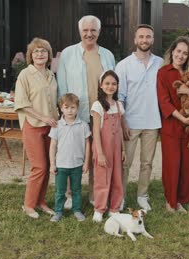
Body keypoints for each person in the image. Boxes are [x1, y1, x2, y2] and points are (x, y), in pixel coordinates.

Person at [57, 15, 116, 207]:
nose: (89, 34)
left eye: (93, 30)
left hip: (100, 114)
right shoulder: (67, 54)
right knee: (72, 154)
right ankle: (68, 195)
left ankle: (94, 194)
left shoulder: (107, 55)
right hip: (76, 115)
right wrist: (65, 113)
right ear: (79, 31)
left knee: (98, 155)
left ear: (99, 32)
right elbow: (62, 87)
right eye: (86, 30)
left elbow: (113, 86)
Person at [156, 36, 189, 213]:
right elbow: (164, 102)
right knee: (172, 165)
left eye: (185, 53)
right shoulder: (163, 73)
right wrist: (182, 118)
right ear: (172, 52)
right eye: (178, 51)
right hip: (172, 126)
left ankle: (182, 199)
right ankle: (171, 201)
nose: (181, 56)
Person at [115, 24, 163, 211]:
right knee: (125, 163)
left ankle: (143, 195)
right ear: (135, 40)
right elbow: (119, 97)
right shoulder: (124, 65)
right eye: (141, 37)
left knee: (147, 163)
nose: (144, 40)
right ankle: (121, 196)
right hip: (131, 122)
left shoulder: (160, 63)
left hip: (153, 122)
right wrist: (123, 120)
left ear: (152, 40)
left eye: (148, 37)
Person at [14, 38, 58, 219]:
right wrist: (43, 118)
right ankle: (29, 204)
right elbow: (22, 104)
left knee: (47, 165)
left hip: (51, 126)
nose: (40, 54)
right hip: (33, 125)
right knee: (39, 166)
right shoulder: (25, 75)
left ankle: (41, 201)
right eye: (36, 51)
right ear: (31, 56)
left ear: (49, 55)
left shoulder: (51, 74)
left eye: (43, 51)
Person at [49, 93, 91, 222]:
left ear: (77, 108)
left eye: (73, 107)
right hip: (61, 164)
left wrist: (86, 162)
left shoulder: (83, 125)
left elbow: (88, 144)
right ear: (61, 108)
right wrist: (52, 164)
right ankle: (58, 211)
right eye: (66, 107)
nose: (69, 110)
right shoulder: (57, 125)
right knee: (60, 191)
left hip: (77, 164)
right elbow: (53, 145)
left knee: (76, 189)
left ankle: (77, 210)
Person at [91, 70, 125, 222]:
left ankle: (114, 207)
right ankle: (99, 208)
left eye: (113, 84)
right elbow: (96, 132)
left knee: (117, 176)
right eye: (107, 83)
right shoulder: (98, 105)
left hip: (117, 148)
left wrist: (123, 149)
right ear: (101, 85)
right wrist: (100, 153)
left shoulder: (118, 105)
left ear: (117, 86)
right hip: (103, 147)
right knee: (102, 177)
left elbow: (120, 130)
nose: (110, 86)